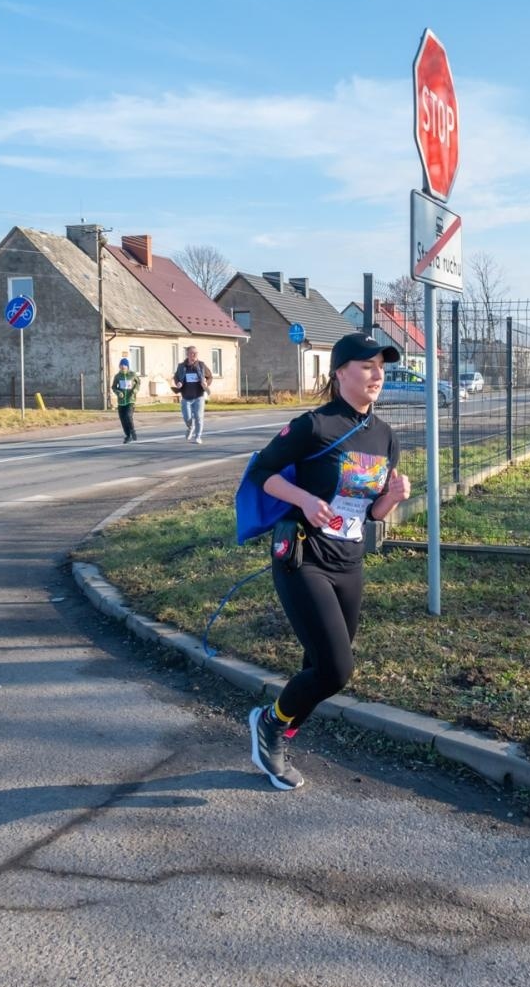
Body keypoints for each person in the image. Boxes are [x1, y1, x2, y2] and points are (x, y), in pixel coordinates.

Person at [244, 333, 412, 790]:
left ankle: (280, 730)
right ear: (339, 373)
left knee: (318, 667)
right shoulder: (314, 425)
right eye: (365, 366)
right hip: (304, 557)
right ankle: (269, 727)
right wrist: (303, 498)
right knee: (336, 670)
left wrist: (392, 499)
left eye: (380, 366)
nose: (376, 374)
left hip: (349, 560)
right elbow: (262, 473)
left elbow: (372, 512)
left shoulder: (384, 435)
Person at [171, 346, 213, 444]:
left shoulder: (201, 365)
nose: (194, 355)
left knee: (199, 417)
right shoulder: (181, 366)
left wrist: (206, 383)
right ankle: (190, 427)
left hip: (198, 396)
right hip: (186, 396)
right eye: (192, 353)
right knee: (187, 418)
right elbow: (176, 377)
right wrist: (178, 383)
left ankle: (198, 436)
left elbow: (210, 376)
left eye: (196, 353)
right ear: (187, 354)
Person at [110, 357, 140, 443]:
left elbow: (138, 383)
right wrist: (118, 392)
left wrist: (135, 390)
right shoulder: (118, 376)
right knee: (122, 419)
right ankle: (128, 436)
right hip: (121, 401)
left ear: (127, 366)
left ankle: (133, 431)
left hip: (130, 400)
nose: (123, 367)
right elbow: (114, 387)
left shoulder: (132, 375)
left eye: (124, 365)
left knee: (128, 416)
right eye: (121, 365)